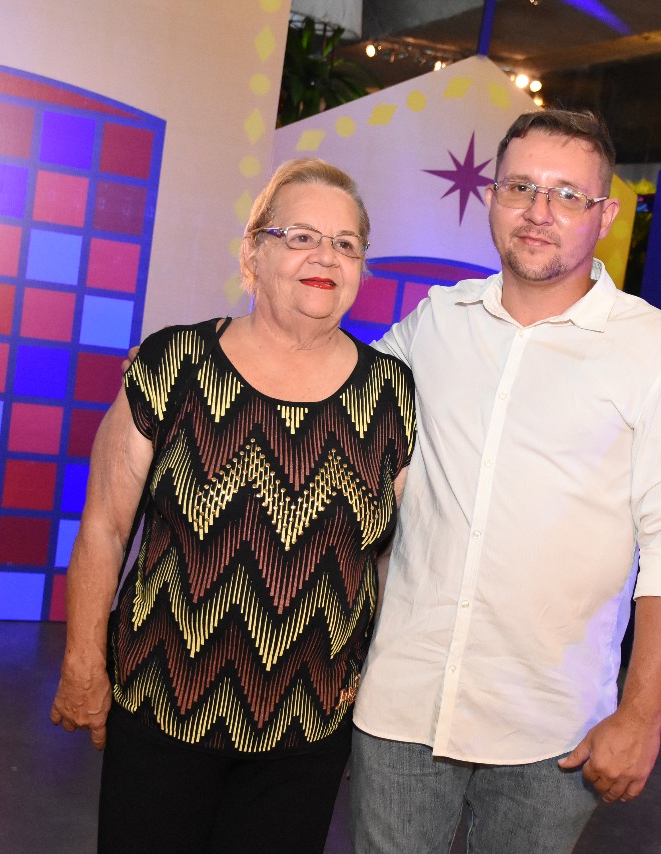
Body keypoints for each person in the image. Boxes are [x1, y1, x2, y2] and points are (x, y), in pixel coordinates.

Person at [349, 109, 661, 853]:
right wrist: (215, 361)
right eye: (520, 187)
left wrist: (641, 718)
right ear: (492, 198)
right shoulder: (437, 322)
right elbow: (332, 394)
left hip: (553, 729)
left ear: (604, 216)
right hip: (402, 706)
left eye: (568, 195)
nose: (539, 211)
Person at [49, 157, 416, 853]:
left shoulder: (391, 394)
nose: (325, 257)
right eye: (301, 236)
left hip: (306, 731)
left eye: (345, 244)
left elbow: (389, 561)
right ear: (254, 252)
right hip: (160, 709)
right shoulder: (173, 364)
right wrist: (82, 663)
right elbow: (104, 528)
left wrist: (373, 688)